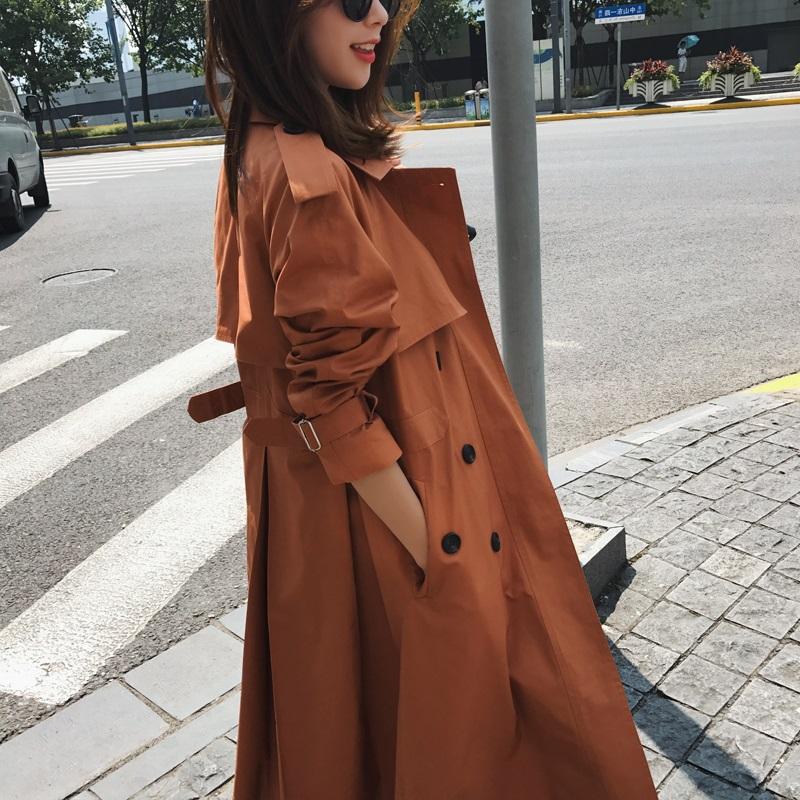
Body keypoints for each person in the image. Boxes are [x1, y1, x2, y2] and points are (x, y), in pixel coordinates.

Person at [193, 1, 660, 798]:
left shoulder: (264, 151)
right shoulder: (303, 175)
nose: (377, 14)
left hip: (347, 522)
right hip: (386, 528)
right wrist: (444, 554)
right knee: (465, 741)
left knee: (361, 740)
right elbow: (331, 407)